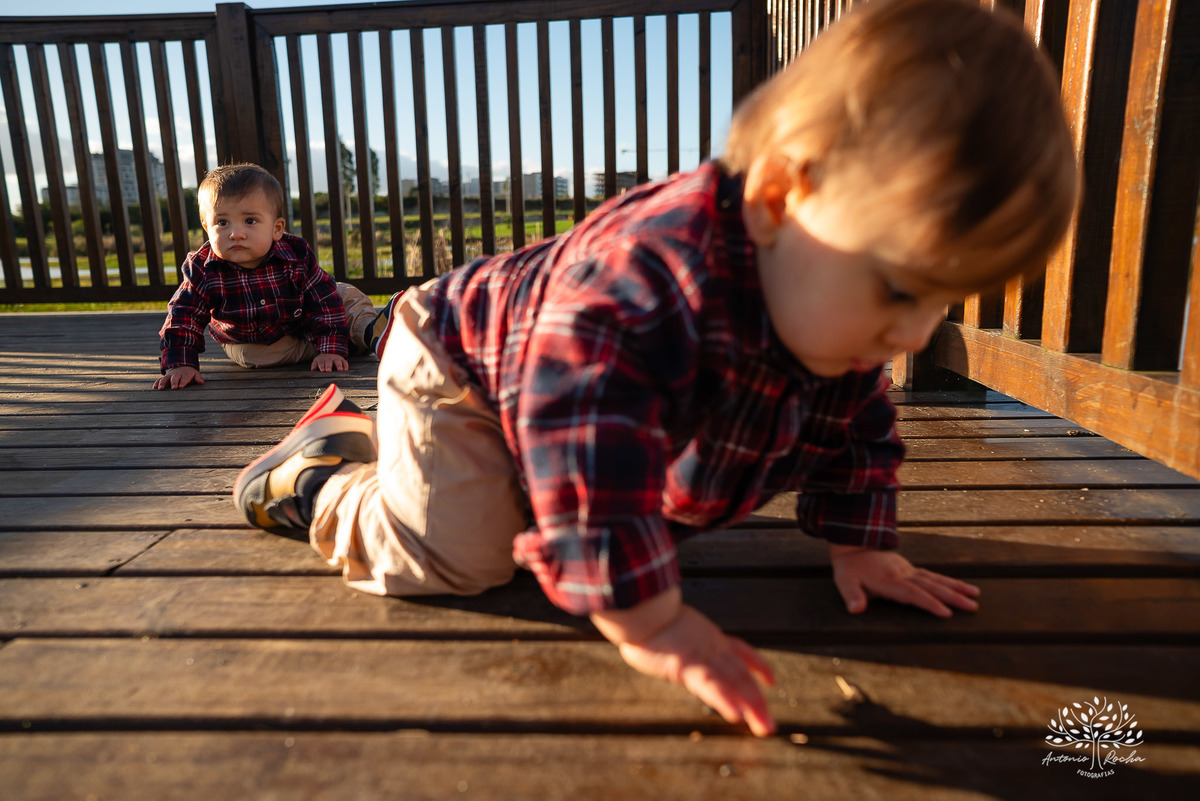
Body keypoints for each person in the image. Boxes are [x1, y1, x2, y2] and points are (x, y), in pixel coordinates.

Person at [233, 0, 1079, 737]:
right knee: (466, 556)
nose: (915, 330)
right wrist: (655, 623)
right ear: (782, 196)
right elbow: (588, 441)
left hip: (544, 382)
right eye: (900, 287)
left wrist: (860, 544)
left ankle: (423, 461)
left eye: (943, 300)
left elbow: (855, 423)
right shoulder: (636, 295)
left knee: (604, 496)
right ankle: (320, 475)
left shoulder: (831, 308)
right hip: (457, 363)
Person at [154, 163, 395, 390]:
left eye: (250, 221)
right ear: (207, 226)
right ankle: (348, 343)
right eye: (222, 222)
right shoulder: (203, 269)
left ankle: (370, 331)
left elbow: (323, 301)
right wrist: (181, 363)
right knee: (253, 356)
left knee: (342, 294)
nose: (236, 233)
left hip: (302, 317)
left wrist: (330, 347)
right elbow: (182, 316)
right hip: (252, 340)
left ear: (276, 228)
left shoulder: (295, 255)